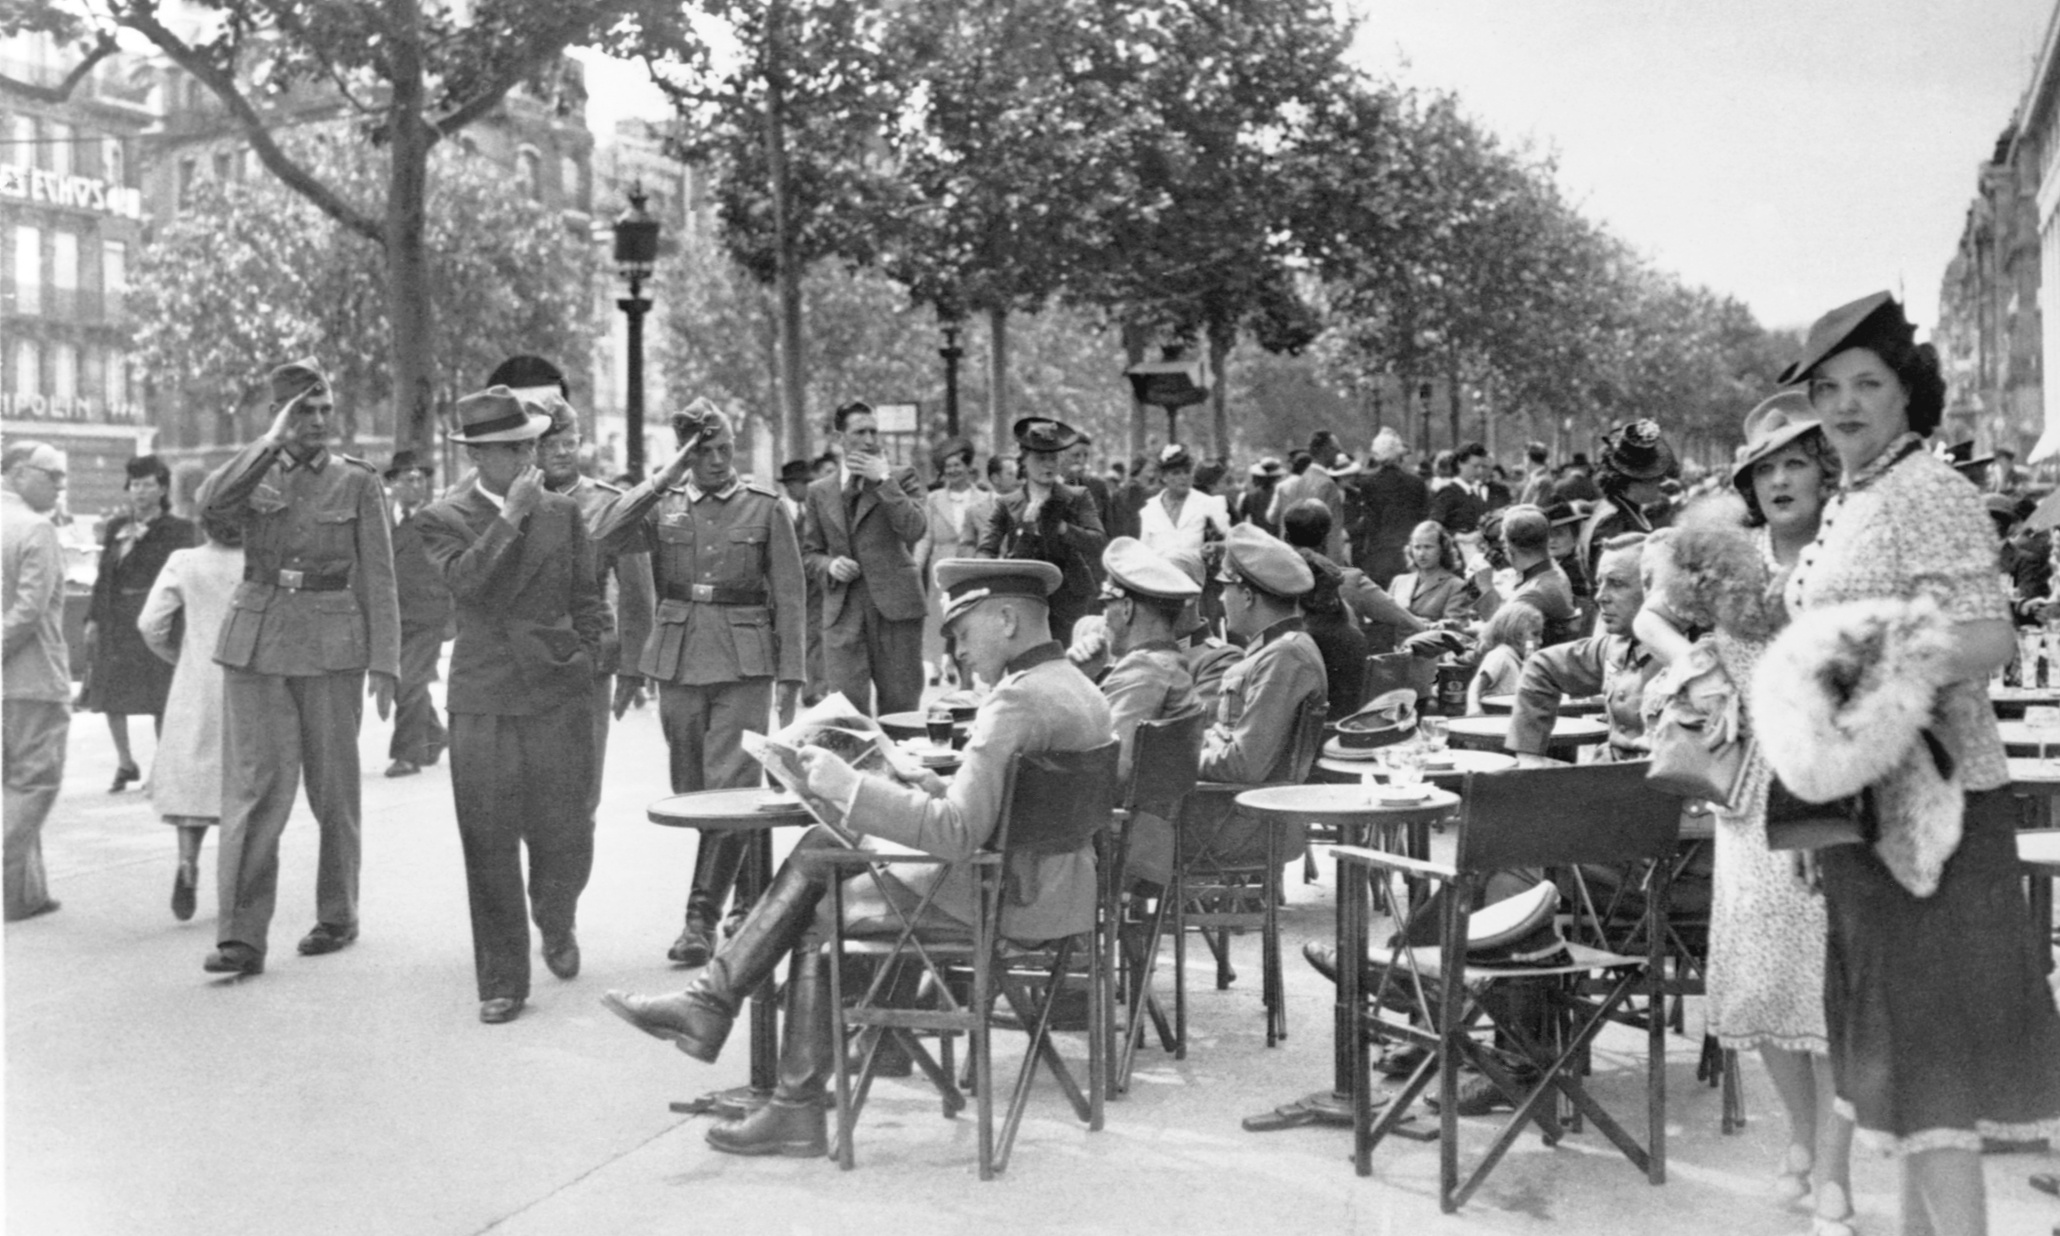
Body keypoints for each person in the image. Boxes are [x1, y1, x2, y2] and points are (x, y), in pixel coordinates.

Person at [601, 559, 1111, 1158]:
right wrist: (923, 782)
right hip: (1057, 890)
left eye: (964, 631)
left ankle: (784, 1094)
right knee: (828, 850)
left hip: (1005, 898)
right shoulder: (1077, 688)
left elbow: (955, 835)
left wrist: (850, 787)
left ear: (1006, 620)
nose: (959, 649)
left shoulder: (1014, 705)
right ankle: (714, 1009)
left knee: (826, 904)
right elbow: (1009, 811)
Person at [1770, 291, 2060, 1235]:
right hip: (1868, 814)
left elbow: (1987, 639)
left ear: (1907, 393)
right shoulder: (1860, 492)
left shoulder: (1927, 488)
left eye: (1868, 384)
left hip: (1937, 814)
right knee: (1895, 1078)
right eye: (1829, 388)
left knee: (1931, 1082)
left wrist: (1855, 672)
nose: (1846, 404)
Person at [1637, 390, 1853, 1233]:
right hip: (1743, 793)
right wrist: (1700, 668)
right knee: (1761, 984)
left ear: (1826, 472)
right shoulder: (1726, 557)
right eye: (1766, 469)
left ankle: (1832, 1170)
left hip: (1827, 778)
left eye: (1797, 462)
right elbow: (1651, 615)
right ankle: (1802, 1135)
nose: (1781, 480)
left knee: (1831, 991)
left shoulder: (1845, 557)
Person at [199, 360, 400, 976]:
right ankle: (240, 936)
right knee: (257, 790)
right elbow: (210, 508)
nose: (316, 422)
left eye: (323, 411)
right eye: (301, 411)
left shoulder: (358, 482)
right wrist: (268, 444)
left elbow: (379, 575)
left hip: (331, 644)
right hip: (257, 643)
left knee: (333, 790)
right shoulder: (252, 471)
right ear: (279, 415)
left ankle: (337, 914)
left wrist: (386, 663)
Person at [416, 388, 610, 1024]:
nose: (531, 454)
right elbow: (468, 583)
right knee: (489, 837)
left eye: (531, 442)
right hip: (486, 695)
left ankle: (555, 916)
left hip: (557, 687)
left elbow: (588, 598)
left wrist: (587, 657)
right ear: (478, 454)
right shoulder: (441, 516)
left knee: (567, 828)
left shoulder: (563, 513)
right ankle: (501, 979)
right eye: (515, 447)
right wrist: (511, 517)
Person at [594, 401, 806, 967]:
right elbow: (605, 533)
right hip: (679, 656)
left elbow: (789, 590)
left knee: (730, 785)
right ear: (685, 454)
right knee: (696, 790)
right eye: (701, 452)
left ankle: (700, 920)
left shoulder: (764, 508)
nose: (715, 462)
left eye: (722, 450)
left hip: (744, 659)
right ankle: (749, 898)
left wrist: (792, 675)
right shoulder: (661, 503)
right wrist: (662, 477)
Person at [530, 390, 655, 849]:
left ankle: (562, 902)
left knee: (583, 789)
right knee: (529, 788)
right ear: (534, 449)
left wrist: (633, 668)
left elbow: (639, 594)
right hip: (526, 662)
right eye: (550, 443)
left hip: (589, 663)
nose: (562, 452)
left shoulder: (612, 504)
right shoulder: (515, 502)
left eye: (570, 441)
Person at [138, 478, 246, 921]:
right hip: (245, 681)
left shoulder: (183, 561)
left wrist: (174, 654)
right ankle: (237, 880)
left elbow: (150, 623)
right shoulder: (256, 563)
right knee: (241, 783)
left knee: (191, 782)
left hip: (194, 680)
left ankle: (187, 862)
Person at [802, 400, 927, 716]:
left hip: (896, 609)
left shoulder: (902, 477)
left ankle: (900, 766)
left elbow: (914, 529)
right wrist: (830, 565)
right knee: (845, 711)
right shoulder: (819, 491)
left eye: (874, 432)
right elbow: (808, 553)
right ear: (840, 438)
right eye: (860, 432)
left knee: (901, 708)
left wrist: (884, 481)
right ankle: (853, 768)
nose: (870, 440)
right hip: (843, 612)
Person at [84, 454, 195, 792]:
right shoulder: (117, 528)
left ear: (162, 489)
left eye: (148, 485)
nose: (140, 492)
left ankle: (161, 767)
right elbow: (104, 575)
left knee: (161, 696)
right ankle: (125, 762)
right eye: (135, 485)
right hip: (117, 622)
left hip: (157, 623)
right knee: (109, 694)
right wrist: (93, 617)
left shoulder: (179, 529)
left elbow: (182, 578)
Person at [1097, 537, 1200, 883]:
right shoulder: (1170, 664)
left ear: (1126, 609)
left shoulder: (1142, 671)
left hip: (1116, 845)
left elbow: (1112, 768)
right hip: (1147, 838)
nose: (1103, 619)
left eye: (1106, 605)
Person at [3, 442, 70, 921]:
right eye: (55, 476)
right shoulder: (36, 529)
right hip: (32, 678)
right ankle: (10, 880)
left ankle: (27, 893)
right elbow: (29, 610)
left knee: (10, 784)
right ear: (21, 473)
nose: (61, 486)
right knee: (35, 784)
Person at [978, 417, 1108, 647]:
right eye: (1040, 458)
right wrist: (1025, 532)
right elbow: (984, 553)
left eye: (1053, 458)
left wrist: (1063, 528)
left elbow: (1098, 541)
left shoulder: (1077, 496)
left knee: (1069, 661)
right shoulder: (1007, 504)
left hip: (1069, 598)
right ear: (1024, 462)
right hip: (1022, 596)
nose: (1048, 465)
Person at [383, 449, 452, 777]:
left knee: (410, 680)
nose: (416, 485)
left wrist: (452, 615)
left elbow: (454, 566)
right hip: (391, 618)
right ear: (392, 484)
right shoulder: (382, 521)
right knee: (401, 684)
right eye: (408, 479)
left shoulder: (438, 519)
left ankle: (407, 756)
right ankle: (436, 734)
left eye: (421, 479)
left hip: (428, 615)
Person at [921, 436, 993, 687]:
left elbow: (989, 535)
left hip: (972, 565)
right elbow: (926, 537)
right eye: (947, 466)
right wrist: (916, 565)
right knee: (942, 617)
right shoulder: (933, 499)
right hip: (941, 563)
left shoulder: (984, 498)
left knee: (969, 617)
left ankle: (967, 675)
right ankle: (943, 661)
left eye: (957, 465)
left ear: (968, 467)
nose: (952, 471)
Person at [1577, 419, 1679, 585]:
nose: (1660, 484)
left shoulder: (1622, 509)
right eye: (1654, 478)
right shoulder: (1612, 521)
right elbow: (1609, 580)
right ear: (1634, 480)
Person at [1347, 428, 1430, 588]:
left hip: (1379, 554)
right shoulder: (1416, 483)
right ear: (1400, 454)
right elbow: (1424, 519)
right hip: (1409, 553)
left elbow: (1368, 522)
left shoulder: (1368, 484)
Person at [778, 459, 828, 704]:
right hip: (784, 583)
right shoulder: (778, 510)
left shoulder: (814, 510)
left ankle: (813, 689)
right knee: (788, 634)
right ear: (789, 486)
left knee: (816, 632)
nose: (806, 488)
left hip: (814, 582)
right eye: (801, 483)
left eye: (808, 482)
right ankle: (787, 684)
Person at [1498, 504, 1579, 647]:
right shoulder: (1551, 571)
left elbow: (1495, 639)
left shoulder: (1534, 592)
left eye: (1503, 540)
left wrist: (1485, 587)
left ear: (1509, 546)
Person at [1139, 444, 1232, 562]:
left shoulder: (1209, 504)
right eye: (1176, 473)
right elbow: (1144, 551)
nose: (1183, 477)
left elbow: (1231, 542)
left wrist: (1217, 547)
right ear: (1163, 477)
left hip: (1197, 577)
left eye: (1187, 472)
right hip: (1160, 576)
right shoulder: (1150, 510)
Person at [1267, 431, 1348, 562]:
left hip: (1299, 560)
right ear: (1326, 450)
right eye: (1335, 449)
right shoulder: (1327, 485)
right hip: (1321, 563)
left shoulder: (1299, 482)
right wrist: (1337, 570)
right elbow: (1333, 534)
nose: (1338, 452)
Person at [1387, 520, 1473, 631]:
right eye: (1417, 547)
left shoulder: (1456, 585)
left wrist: (1411, 621)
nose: (1421, 554)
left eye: (1428, 547)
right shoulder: (1398, 582)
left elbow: (1454, 629)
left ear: (1442, 549)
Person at [1463, 602, 1542, 715]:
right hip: (1496, 717)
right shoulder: (1501, 655)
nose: (1540, 641)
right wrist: (1474, 707)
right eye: (1535, 634)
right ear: (1515, 633)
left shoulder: (1519, 660)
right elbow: (1477, 684)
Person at [1427, 441, 1507, 536]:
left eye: (1482, 467)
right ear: (1460, 464)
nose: (1479, 472)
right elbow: (1433, 527)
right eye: (1475, 466)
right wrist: (1459, 537)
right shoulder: (1448, 492)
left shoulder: (1474, 493)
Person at [1237, 457, 1285, 537]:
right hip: (1278, 539)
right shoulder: (1282, 494)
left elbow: (1239, 522)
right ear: (1276, 477)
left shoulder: (1249, 496)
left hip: (1258, 539)